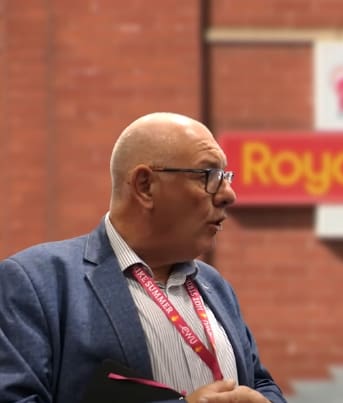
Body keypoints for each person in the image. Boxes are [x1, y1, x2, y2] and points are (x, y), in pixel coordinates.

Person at [0, 112, 286, 403]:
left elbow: (260, 381)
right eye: (209, 176)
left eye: (225, 177)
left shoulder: (214, 285)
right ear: (145, 186)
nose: (229, 194)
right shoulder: (37, 284)